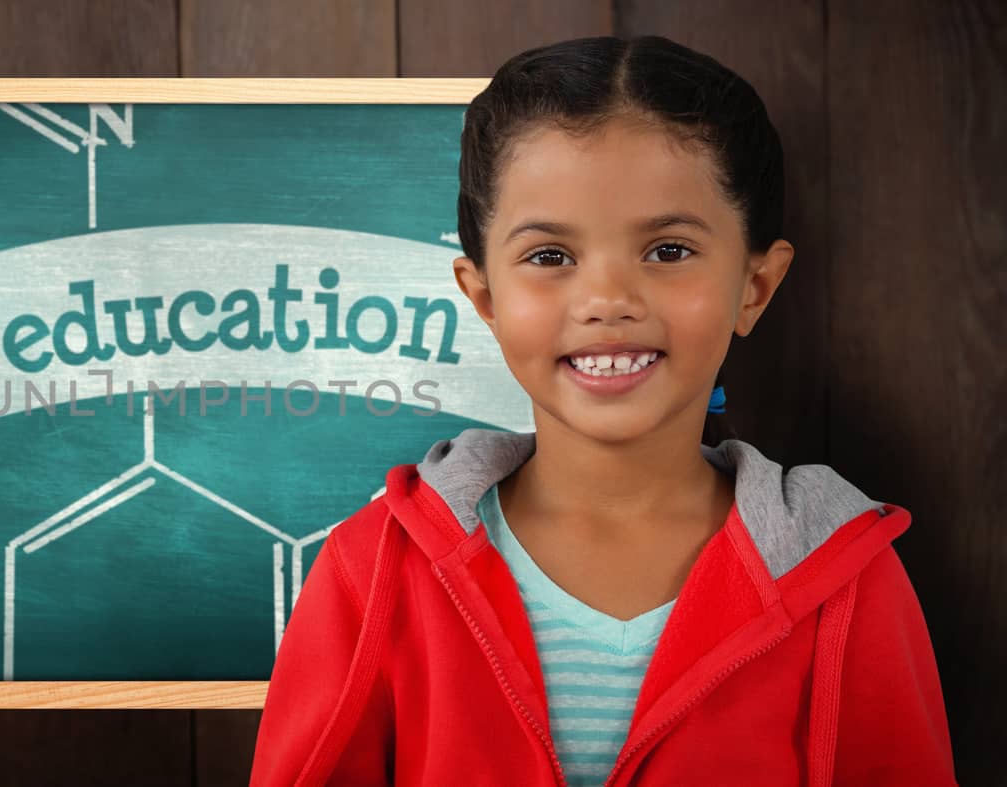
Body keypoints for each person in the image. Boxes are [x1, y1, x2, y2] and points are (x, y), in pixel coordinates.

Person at [249, 35, 956, 786]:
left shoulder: (846, 577)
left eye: (669, 250)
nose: (608, 301)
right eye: (551, 256)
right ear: (483, 293)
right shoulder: (373, 571)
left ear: (754, 285)